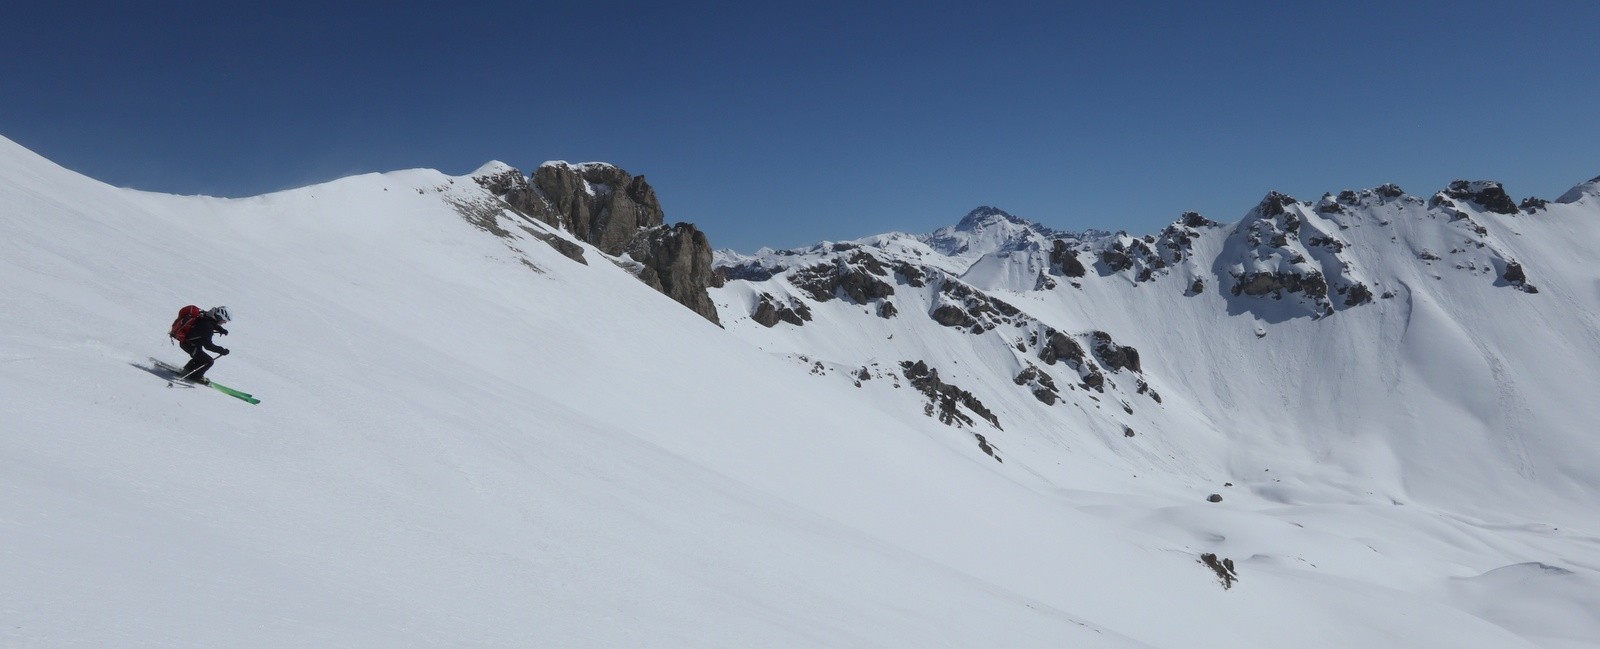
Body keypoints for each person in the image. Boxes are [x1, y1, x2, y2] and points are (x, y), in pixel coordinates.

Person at [180, 306, 232, 384]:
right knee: (208, 361)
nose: (224, 322)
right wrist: (222, 351)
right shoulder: (208, 326)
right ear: (219, 316)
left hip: (189, 342)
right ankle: (196, 377)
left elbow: (211, 323)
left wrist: (220, 329)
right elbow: (208, 346)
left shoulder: (206, 316)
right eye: (224, 320)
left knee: (200, 357)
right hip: (190, 345)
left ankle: (187, 370)